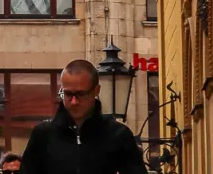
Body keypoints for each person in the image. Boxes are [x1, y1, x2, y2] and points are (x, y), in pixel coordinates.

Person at [18, 60, 146, 174]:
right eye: (68, 94)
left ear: (96, 90)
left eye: (81, 94)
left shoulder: (119, 135)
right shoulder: (42, 134)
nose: (74, 102)